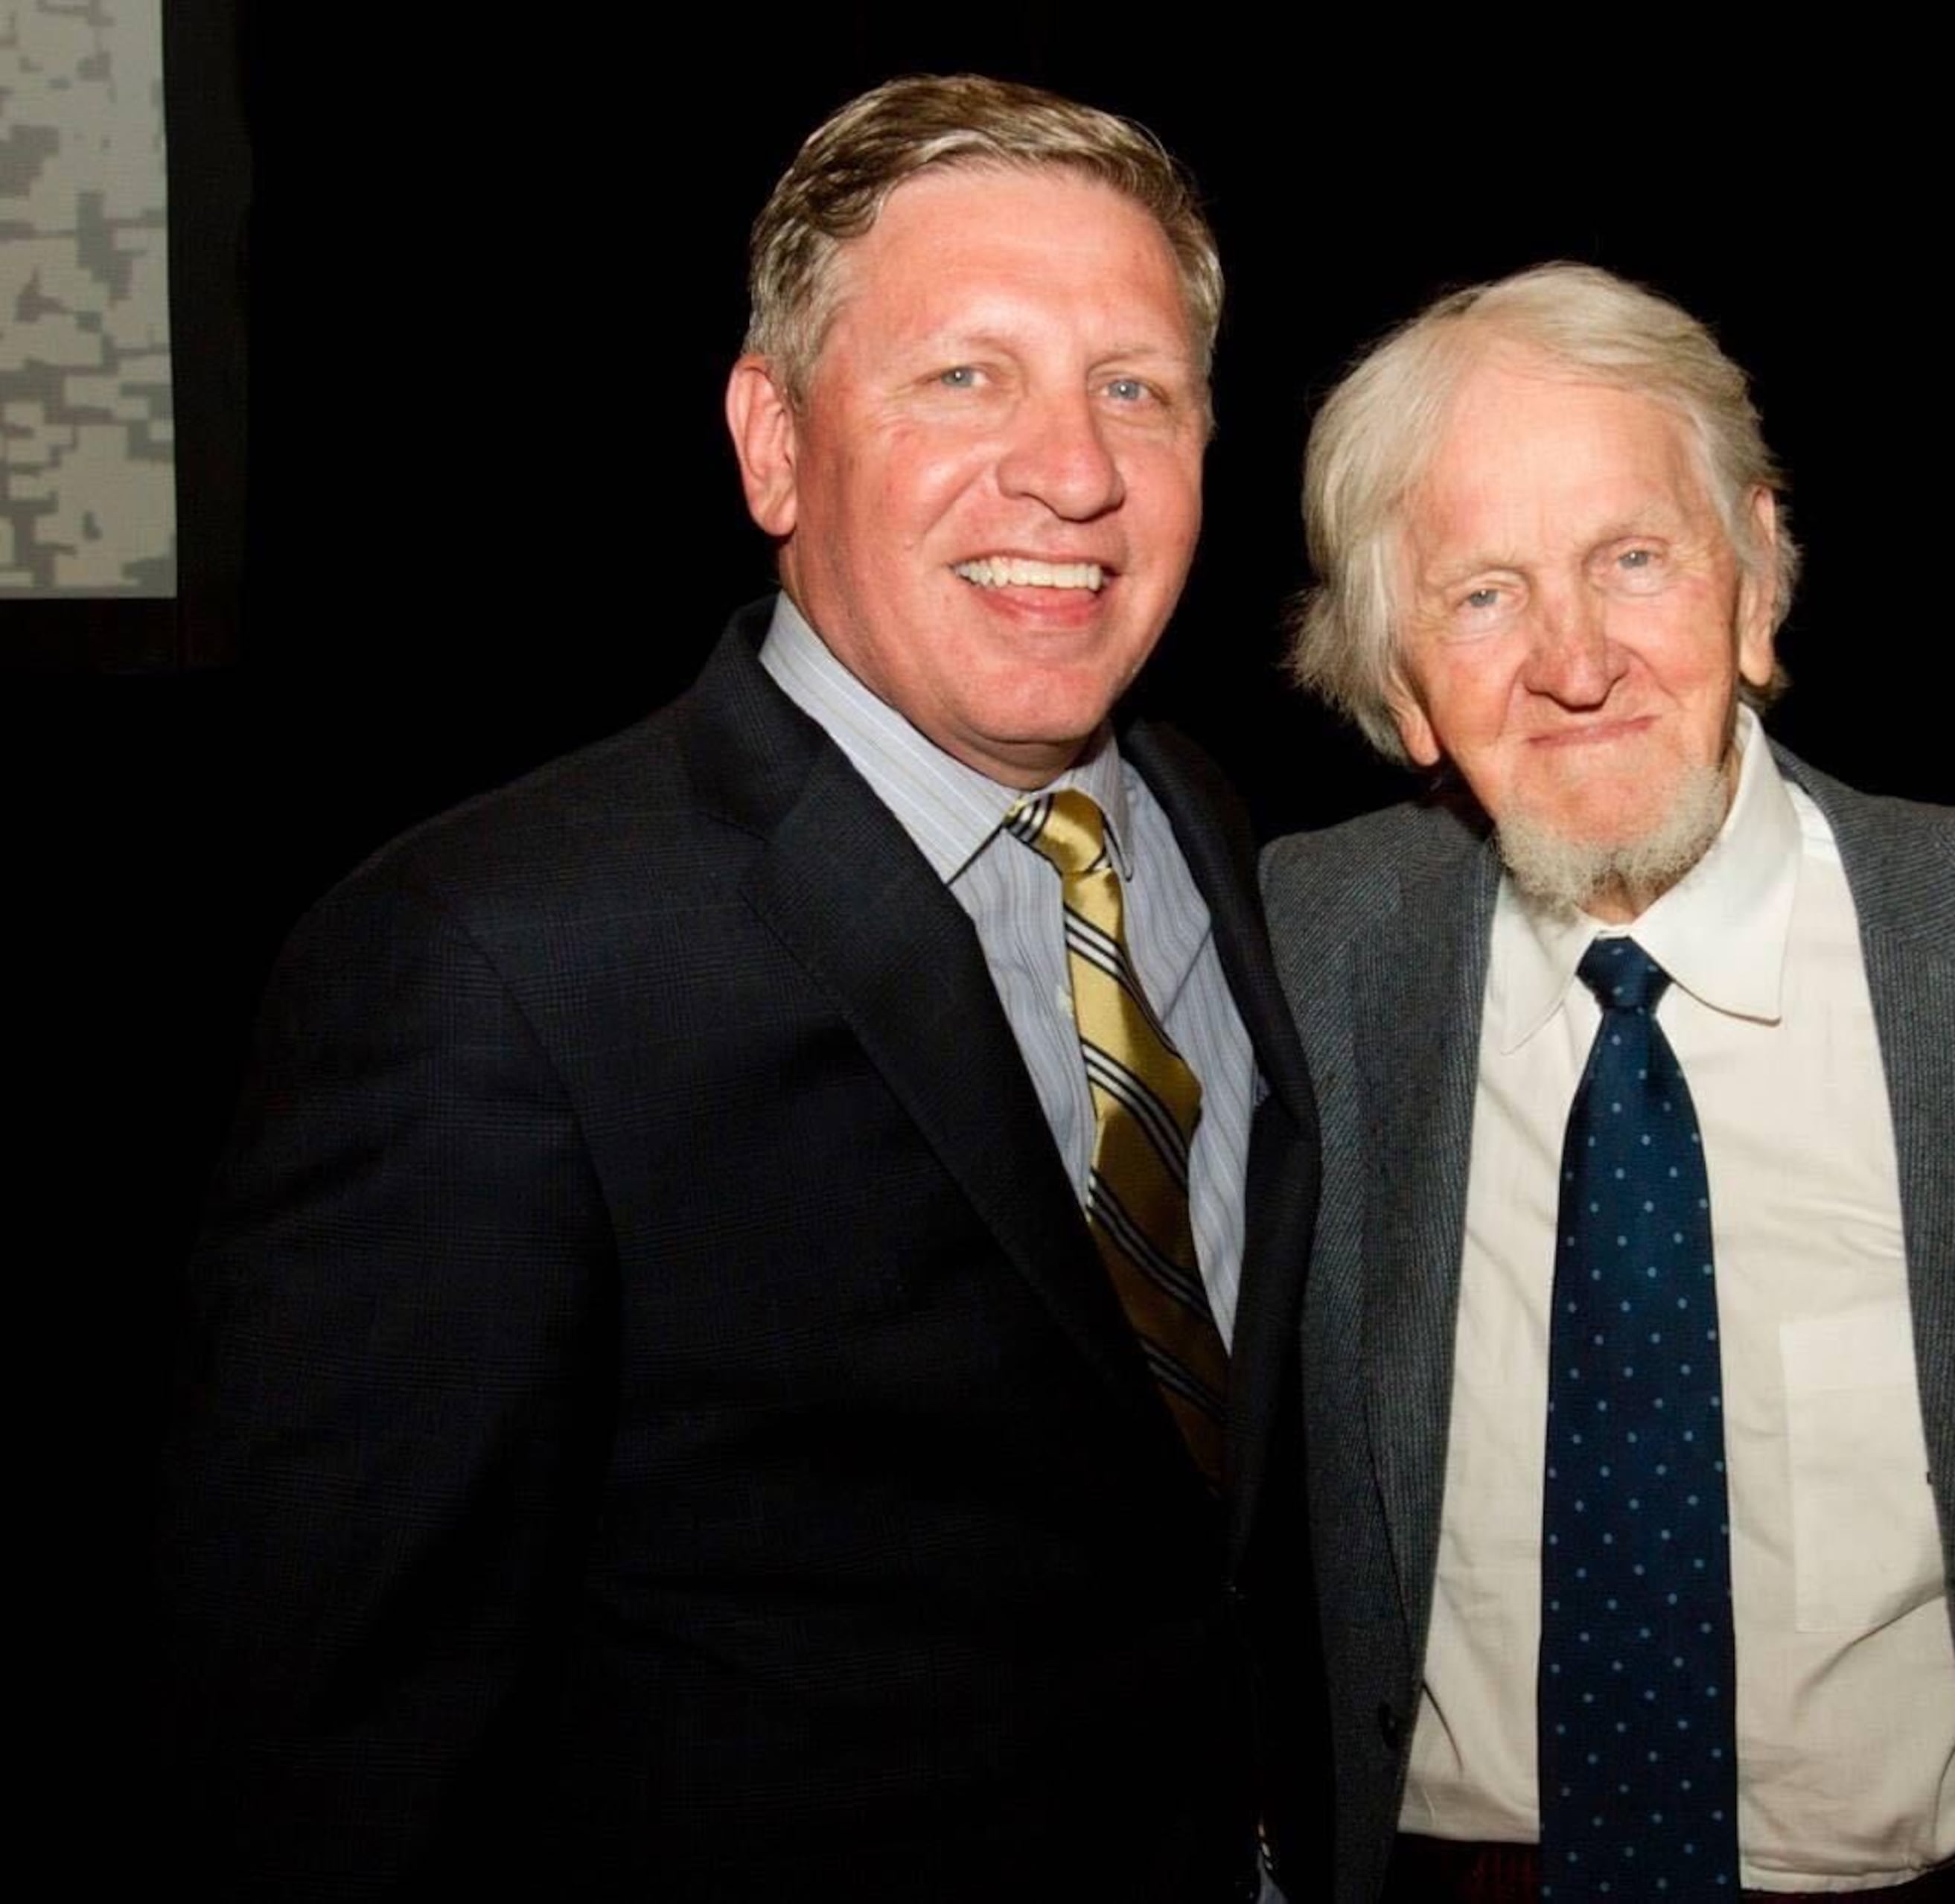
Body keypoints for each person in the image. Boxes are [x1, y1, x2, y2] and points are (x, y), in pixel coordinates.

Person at [162, 74, 1321, 1900]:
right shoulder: (488, 967)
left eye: (1136, 388)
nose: (1075, 470)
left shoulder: (1216, 833)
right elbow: (328, 1754)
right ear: (772, 442)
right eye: (965, 375)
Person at [1266, 263, 1955, 1903]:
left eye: (1635, 560)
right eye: (1482, 594)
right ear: (1399, 677)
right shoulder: (1287, 954)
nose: (1574, 660)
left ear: (1757, 580)